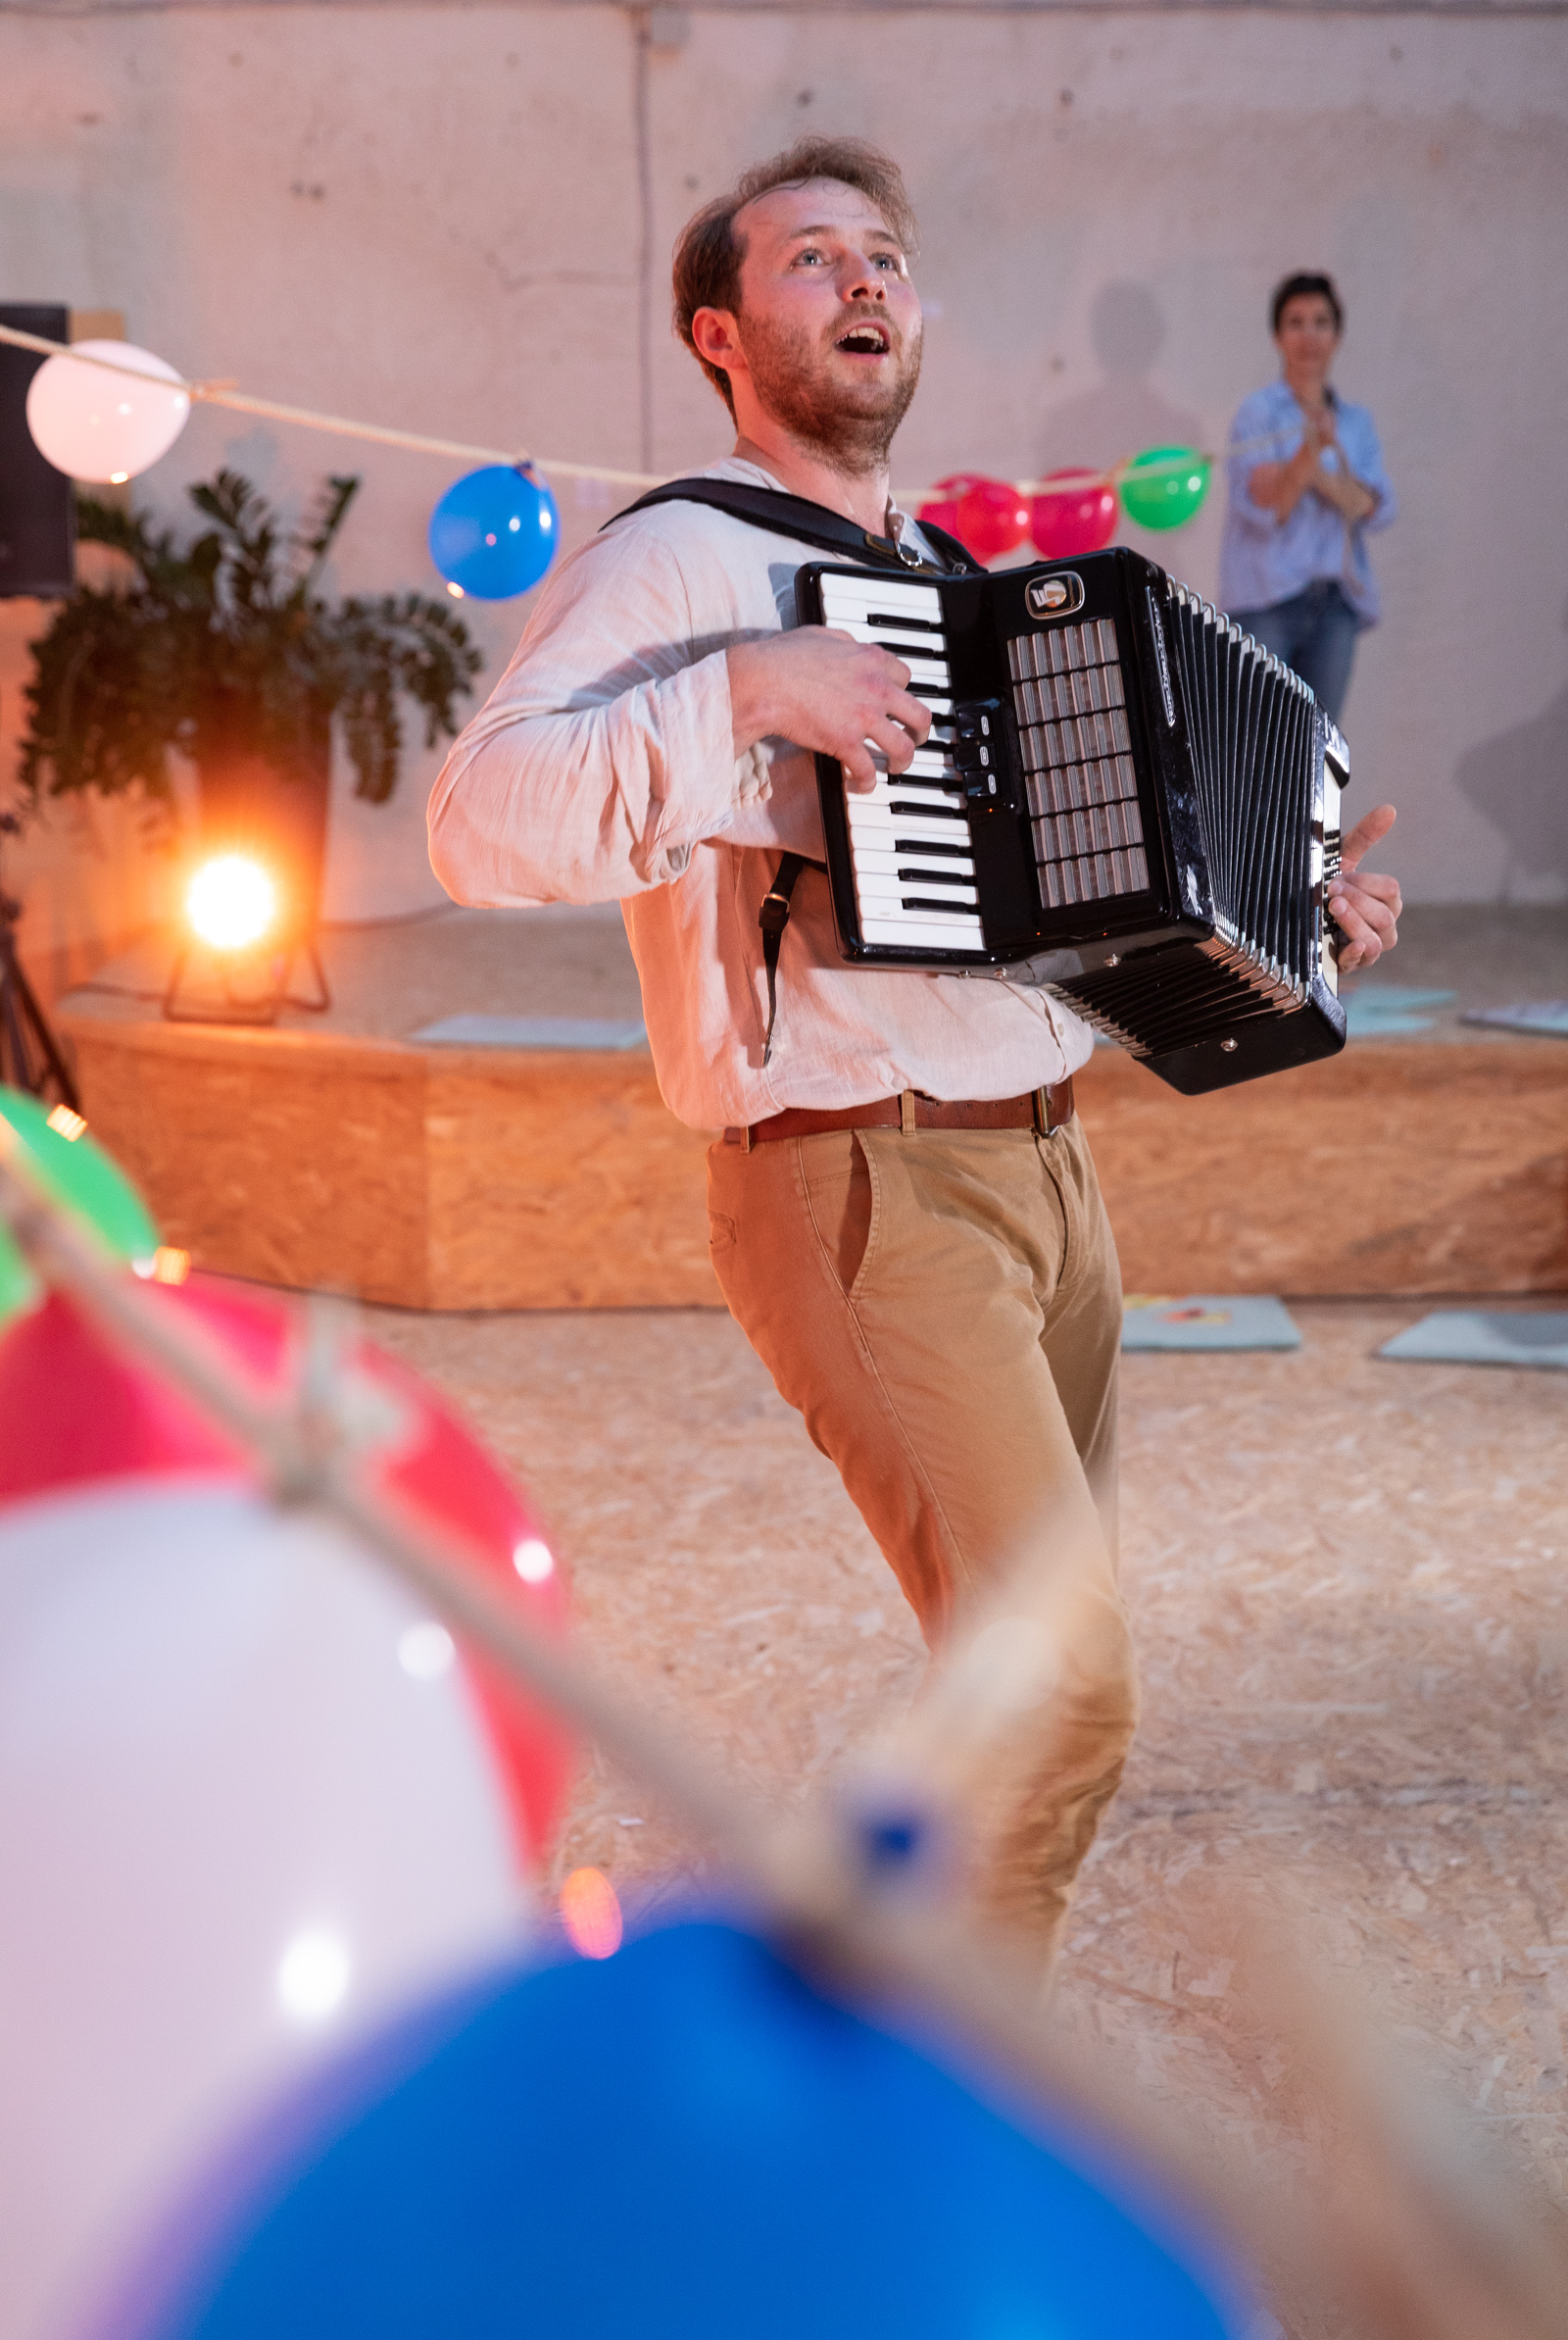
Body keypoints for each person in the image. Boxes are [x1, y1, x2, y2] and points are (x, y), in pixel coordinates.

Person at [428, 141, 1402, 1967]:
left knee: (1015, 1691)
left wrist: (1293, 911)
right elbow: (476, 824)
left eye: (882, 254)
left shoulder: (949, 573)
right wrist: (746, 692)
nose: (864, 279)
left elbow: (1076, 893)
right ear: (721, 334)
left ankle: (905, 2036)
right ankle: (949, 2076)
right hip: (862, 1182)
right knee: (1058, 1697)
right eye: (811, 258)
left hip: (1048, 1176)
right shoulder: (682, 557)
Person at [1220, 273, 1396, 723]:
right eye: (1295, 322)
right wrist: (1317, 462)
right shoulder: (1257, 412)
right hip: (1265, 599)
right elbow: (1268, 505)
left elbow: (1373, 508)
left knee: (1319, 744)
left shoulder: (1355, 421)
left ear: (1338, 336)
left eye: (1321, 322)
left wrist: (1304, 471)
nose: (1309, 335)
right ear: (1277, 336)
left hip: (1336, 602)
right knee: (1257, 740)